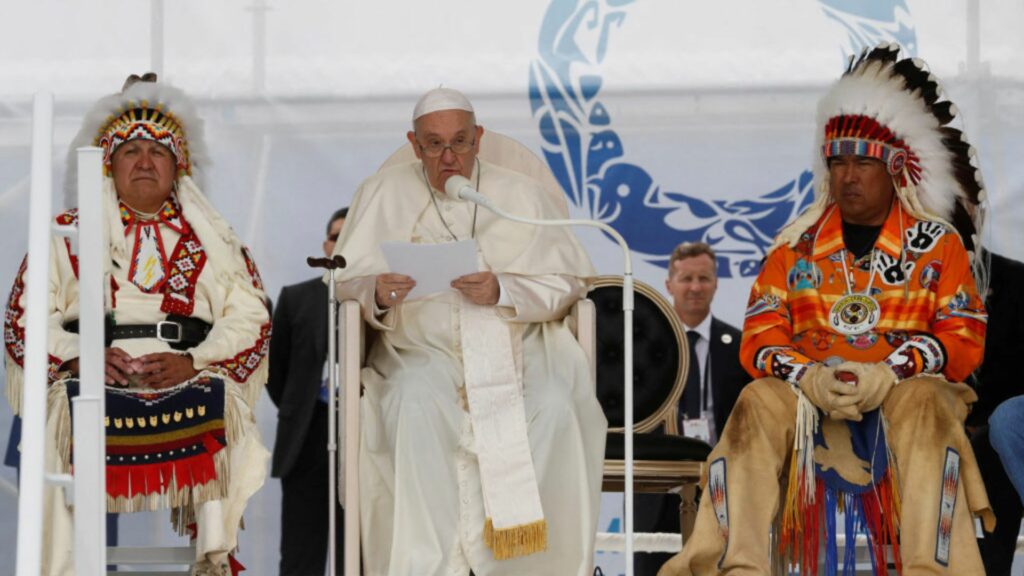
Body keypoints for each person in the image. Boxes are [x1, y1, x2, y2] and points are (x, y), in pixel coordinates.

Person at [659, 45, 994, 575]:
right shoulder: (794, 244)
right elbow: (761, 335)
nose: (847, 176)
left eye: (863, 161)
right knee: (754, 401)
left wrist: (891, 371)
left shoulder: (937, 244)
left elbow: (962, 336)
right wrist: (808, 377)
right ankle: (734, 567)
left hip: (903, 396)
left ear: (896, 168)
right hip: (807, 396)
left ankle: (932, 570)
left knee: (930, 404)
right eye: (837, 161)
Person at [330, 87, 606, 576]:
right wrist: (377, 291)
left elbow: (567, 283)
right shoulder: (381, 193)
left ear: (478, 139)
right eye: (434, 145)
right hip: (421, 352)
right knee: (412, 401)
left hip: (520, 347)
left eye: (460, 142)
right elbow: (346, 283)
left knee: (558, 406)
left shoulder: (522, 195)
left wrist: (504, 289)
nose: (449, 157)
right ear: (415, 147)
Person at [3, 74, 271, 575]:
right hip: (90, 375)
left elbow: (252, 316)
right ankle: (61, 568)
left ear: (178, 167)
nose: (145, 161)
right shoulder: (66, 235)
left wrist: (194, 360)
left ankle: (214, 559)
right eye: (131, 151)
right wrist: (78, 356)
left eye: (158, 152)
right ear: (107, 163)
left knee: (226, 407)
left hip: (189, 374)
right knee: (60, 417)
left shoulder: (216, 238)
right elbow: (25, 319)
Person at [634, 242, 748, 575]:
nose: (695, 287)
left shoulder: (740, 347)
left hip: (721, 484)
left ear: (716, 283)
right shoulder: (641, 348)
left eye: (704, 278)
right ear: (669, 284)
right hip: (656, 487)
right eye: (686, 278)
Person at [267, 206, 348, 575]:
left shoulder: (385, 301)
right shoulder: (295, 298)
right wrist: (300, 407)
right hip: (306, 438)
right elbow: (276, 371)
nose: (341, 243)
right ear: (325, 245)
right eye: (335, 236)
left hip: (362, 438)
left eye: (351, 235)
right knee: (301, 556)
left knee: (360, 554)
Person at [967, 250, 1024, 575]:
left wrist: (976, 421)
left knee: (998, 434)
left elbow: (1016, 366)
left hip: (987, 416)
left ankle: (993, 566)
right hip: (922, 413)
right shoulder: (897, 278)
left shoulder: (1012, 278)